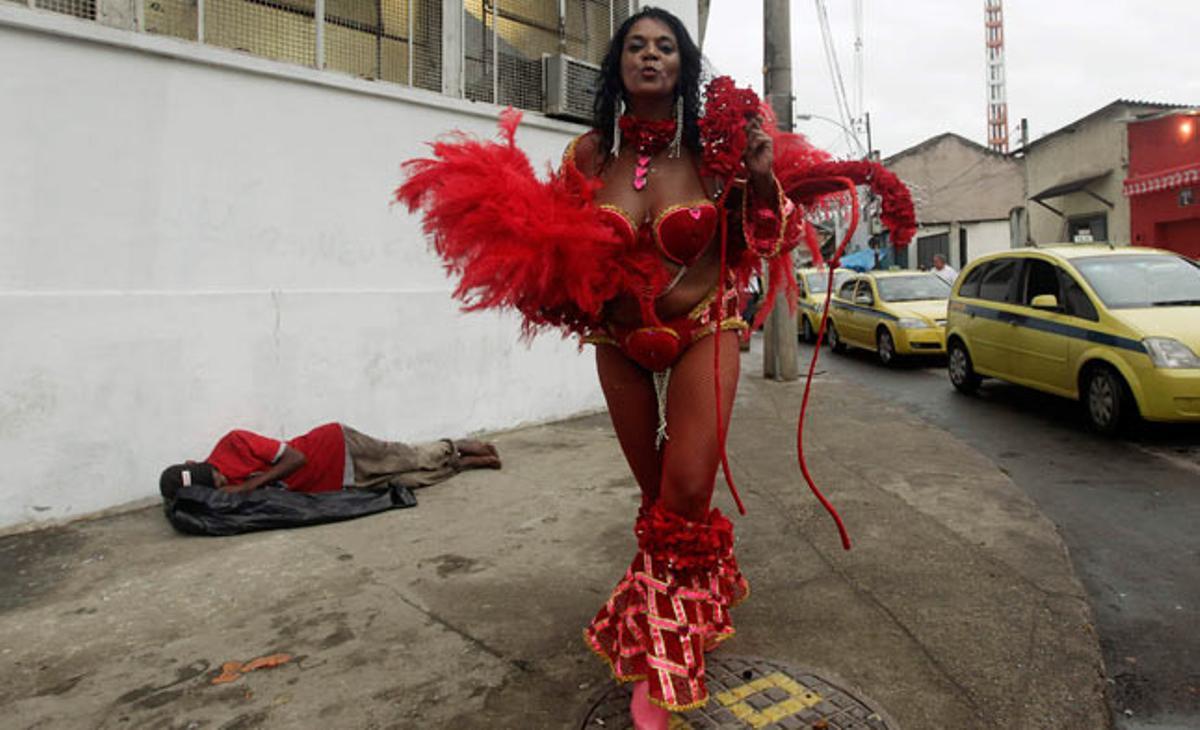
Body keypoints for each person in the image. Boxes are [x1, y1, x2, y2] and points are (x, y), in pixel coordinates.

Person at [396, 8, 916, 725]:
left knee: (690, 488)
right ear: (618, 66)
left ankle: (663, 667)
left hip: (706, 327)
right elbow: (556, 249)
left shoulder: (717, 152)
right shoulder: (588, 159)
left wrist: (761, 180)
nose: (649, 56)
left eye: (664, 46)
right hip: (620, 344)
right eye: (636, 45)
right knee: (658, 502)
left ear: (682, 65)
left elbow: (775, 238)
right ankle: (688, 608)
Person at [159, 423, 500, 499]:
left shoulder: (234, 442)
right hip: (336, 484)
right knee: (412, 482)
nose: (219, 482)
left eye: (214, 475)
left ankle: (457, 445)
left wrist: (250, 484)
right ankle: (466, 464)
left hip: (338, 447)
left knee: (411, 457)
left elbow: (296, 458)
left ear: (197, 461)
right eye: (211, 486)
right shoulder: (215, 493)